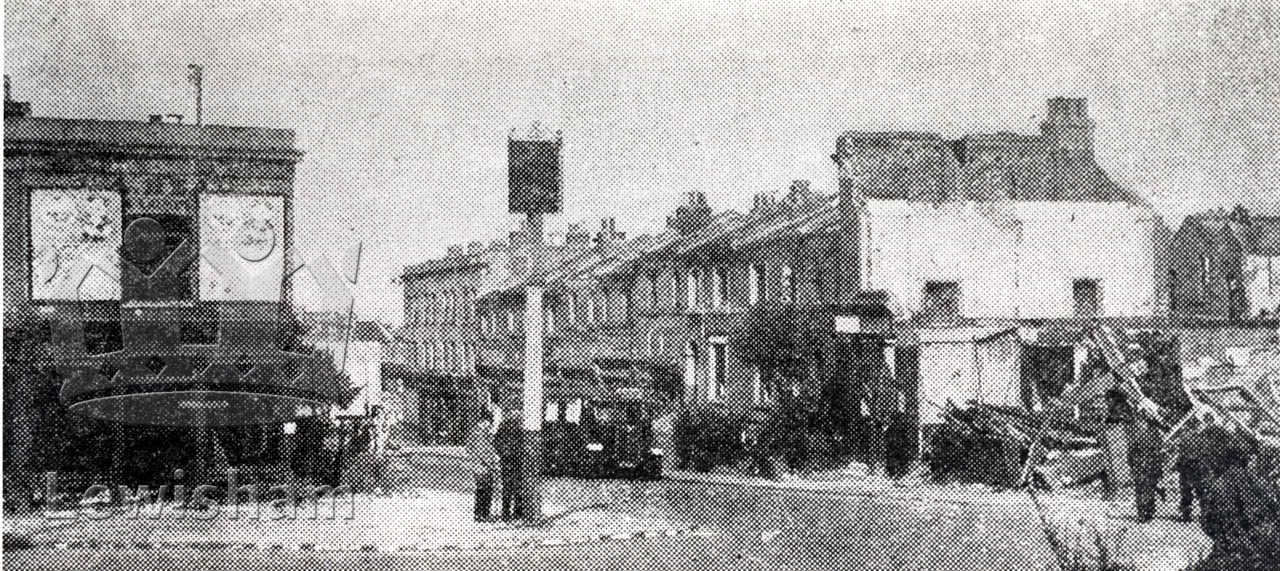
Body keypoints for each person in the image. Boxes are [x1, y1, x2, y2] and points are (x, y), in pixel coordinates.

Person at [464, 413, 499, 522]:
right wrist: (492, 463)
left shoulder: (478, 432)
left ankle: (480, 513)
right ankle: (483, 513)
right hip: (482, 465)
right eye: (489, 423)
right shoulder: (480, 434)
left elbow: (469, 448)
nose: (490, 426)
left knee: (483, 489)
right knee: (485, 490)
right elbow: (483, 451)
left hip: (478, 464)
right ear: (484, 421)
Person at [493, 410, 524, 522]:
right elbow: (496, 442)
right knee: (516, 486)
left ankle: (507, 513)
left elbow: (496, 442)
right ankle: (515, 512)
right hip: (515, 459)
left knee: (508, 486)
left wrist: (501, 453)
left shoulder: (504, 426)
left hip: (509, 459)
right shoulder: (519, 427)